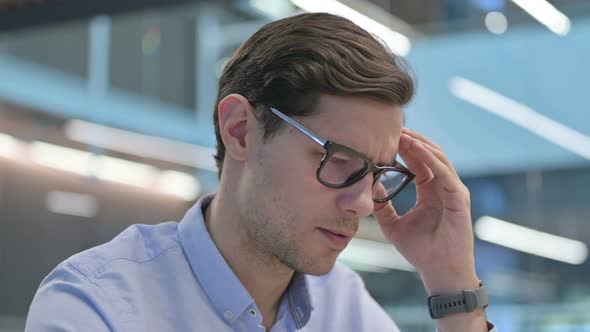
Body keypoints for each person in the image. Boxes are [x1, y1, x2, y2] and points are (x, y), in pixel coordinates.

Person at [26, 12, 497, 332]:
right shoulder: (97, 306)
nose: (361, 204)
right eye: (339, 160)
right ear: (240, 131)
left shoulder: (344, 307)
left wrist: (452, 284)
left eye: (376, 173)